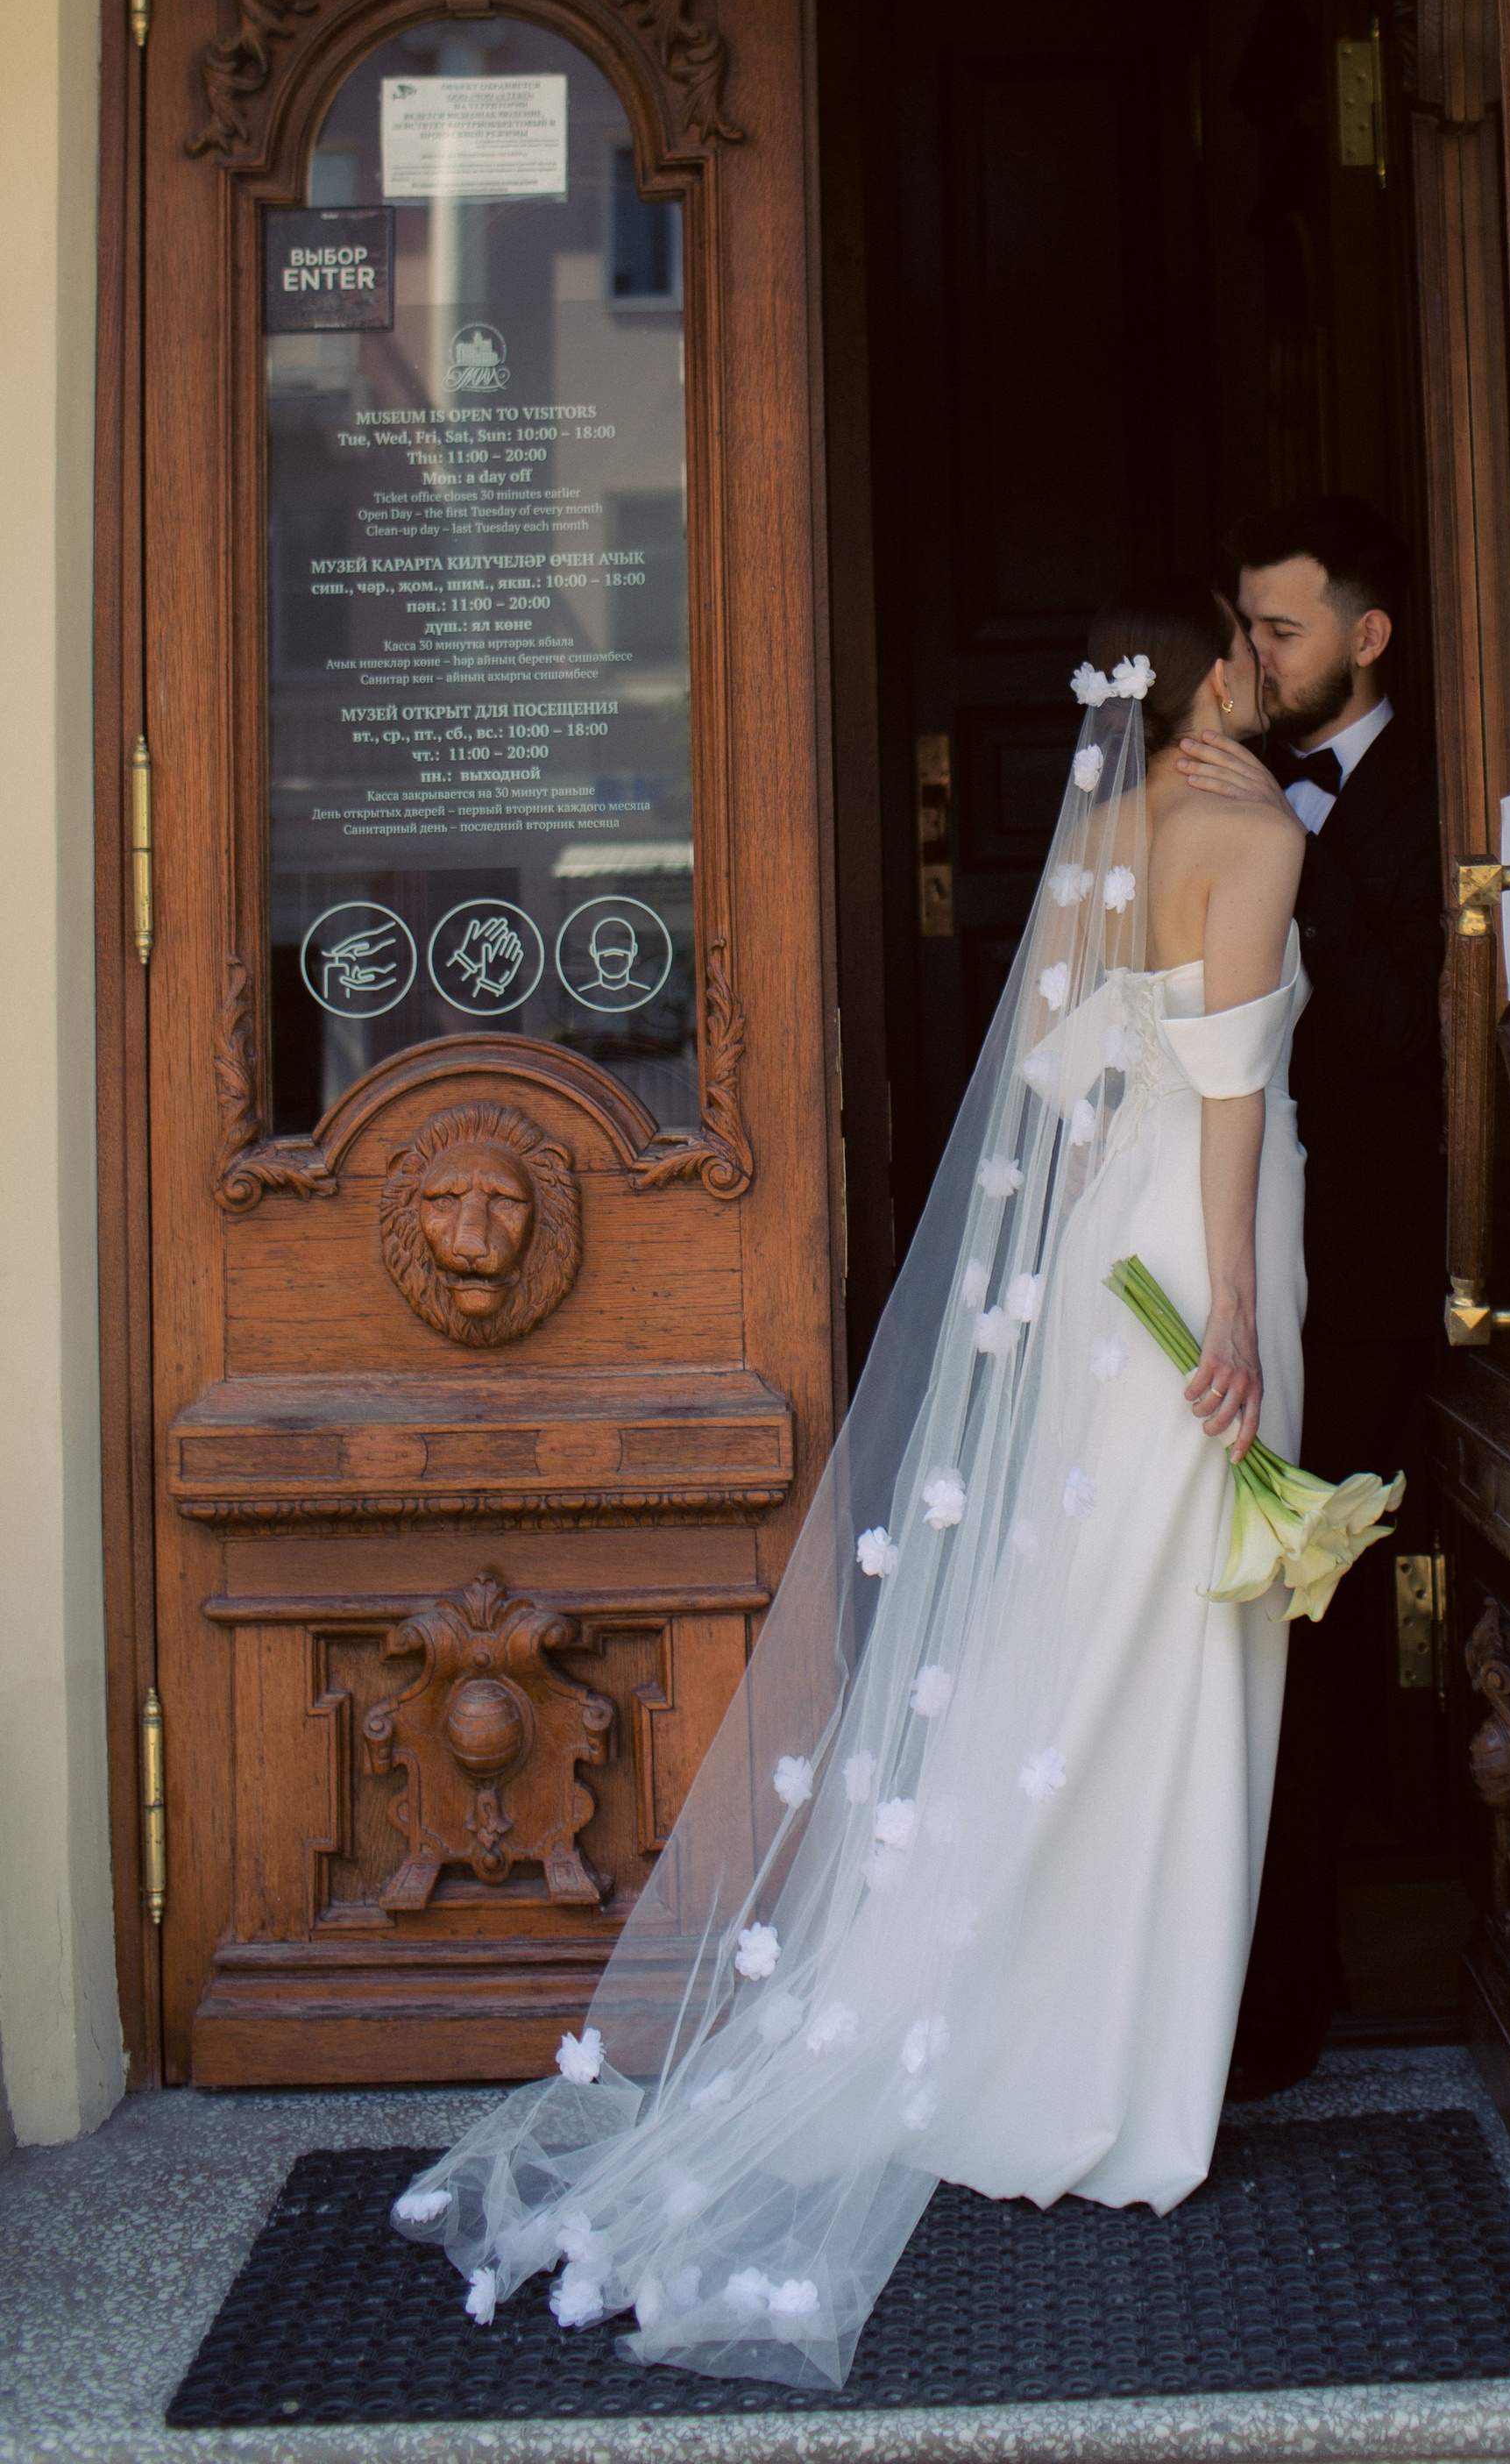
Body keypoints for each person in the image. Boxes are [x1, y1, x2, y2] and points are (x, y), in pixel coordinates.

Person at [393, 579, 1311, 2388]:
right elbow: (1226, 1094)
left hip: (1081, 1280)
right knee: (1178, 1641)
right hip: (1193, 1260)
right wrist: (1234, 1326)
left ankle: (1009, 2030)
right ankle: (1118, 2089)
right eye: (1247, 640)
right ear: (1207, 666)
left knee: (1076, 1639)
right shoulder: (1254, 831)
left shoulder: (1108, 835)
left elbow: (1057, 1069)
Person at [1179, 495, 1445, 2096]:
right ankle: (1268, 1986)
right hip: (1262, 1258)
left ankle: (1291, 1989)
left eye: (1283, 629)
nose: (1260, 653)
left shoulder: (1424, 789)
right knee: (1267, 1613)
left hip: (1370, 1263)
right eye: (1247, 627)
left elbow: (1395, 1028)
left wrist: (1287, 842)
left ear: (1366, 638)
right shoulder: (1235, 794)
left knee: (1322, 1618)